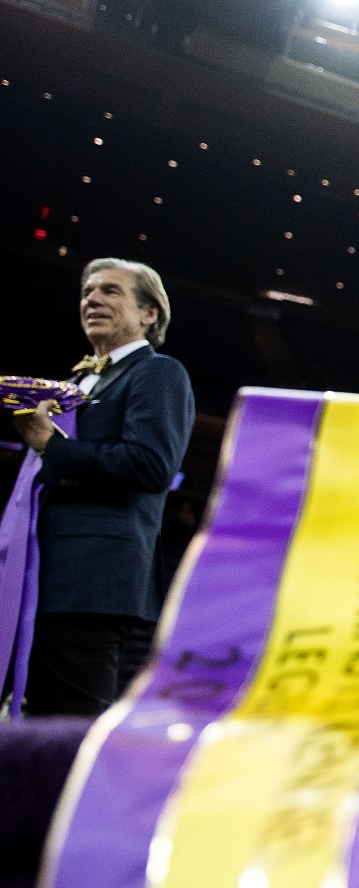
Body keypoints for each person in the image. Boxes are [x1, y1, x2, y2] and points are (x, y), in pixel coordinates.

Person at [11, 259, 193, 715]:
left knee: (67, 723)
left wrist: (52, 448)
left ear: (148, 313)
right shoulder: (72, 382)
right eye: (87, 291)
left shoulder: (158, 372)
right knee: (28, 721)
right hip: (35, 572)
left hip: (92, 582)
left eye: (110, 291)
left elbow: (151, 465)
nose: (92, 299)